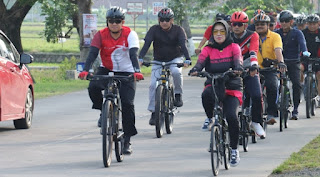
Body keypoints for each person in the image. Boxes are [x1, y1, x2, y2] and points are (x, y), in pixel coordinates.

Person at [78, 7, 144, 155]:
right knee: (93, 87)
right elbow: (93, 53)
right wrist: (85, 69)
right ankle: (102, 110)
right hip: (106, 68)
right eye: (111, 21)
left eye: (117, 21)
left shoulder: (130, 34)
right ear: (107, 22)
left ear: (123, 22)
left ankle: (127, 140)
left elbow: (134, 54)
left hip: (127, 71)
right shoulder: (101, 35)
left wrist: (137, 71)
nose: (114, 24)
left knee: (127, 104)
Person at [189, 20, 243, 167]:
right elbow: (200, 62)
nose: (219, 34)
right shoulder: (208, 49)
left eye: (222, 31)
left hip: (231, 86)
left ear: (227, 32)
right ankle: (210, 117)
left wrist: (237, 68)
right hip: (213, 83)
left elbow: (238, 61)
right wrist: (196, 69)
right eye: (216, 32)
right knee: (206, 95)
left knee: (231, 117)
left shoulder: (234, 47)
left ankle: (233, 150)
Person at [138, 8, 191, 125]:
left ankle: (177, 94)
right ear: (158, 20)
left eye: (167, 20)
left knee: (176, 72)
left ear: (172, 20)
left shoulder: (179, 30)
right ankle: (153, 112)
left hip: (175, 58)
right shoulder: (154, 30)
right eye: (162, 20)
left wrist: (187, 58)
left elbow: (183, 45)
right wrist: (140, 58)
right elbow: (146, 44)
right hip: (158, 60)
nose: (164, 22)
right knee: (152, 85)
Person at [230, 11, 265, 137]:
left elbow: (253, 51)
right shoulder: (227, 37)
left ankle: (256, 122)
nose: (236, 27)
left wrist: (254, 65)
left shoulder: (253, 35)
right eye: (234, 24)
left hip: (249, 68)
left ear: (245, 25)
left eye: (240, 24)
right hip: (232, 70)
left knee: (256, 95)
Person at [274, 10, 308, 120]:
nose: (284, 23)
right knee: (275, 84)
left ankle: (296, 109)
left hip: (294, 62)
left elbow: (302, 44)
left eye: (286, 21)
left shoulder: (297, 33)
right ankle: (276, 105)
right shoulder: (276, 33)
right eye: (282, 21)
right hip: (280, 62)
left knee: (297, 85)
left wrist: (305, 52)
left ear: (291, 22)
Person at [254, 13, 286, 124]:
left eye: (262, 24)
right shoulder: (252, 37)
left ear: (268, 25)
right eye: (257, 24)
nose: (260, 26)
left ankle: (271, 113)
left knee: (272, 86)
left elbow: (278, 50)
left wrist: (280, 62)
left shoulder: (275, 36)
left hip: (270, 69)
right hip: (254, 69)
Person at [301, 14, 320, 105]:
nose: (312, 26)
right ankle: (300, 87)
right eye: (310, 24)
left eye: (314, 24)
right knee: (299, 68)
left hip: (318, 58)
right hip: (305, 58)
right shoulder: (302, 33)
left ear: (318, 24)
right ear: (307, 24)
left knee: (319, 75)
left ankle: (319, 97)